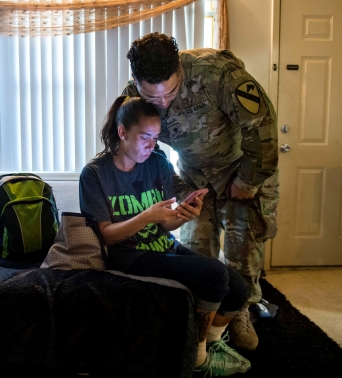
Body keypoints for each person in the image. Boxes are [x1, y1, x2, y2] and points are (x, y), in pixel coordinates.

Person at [122, 32, 280, 351]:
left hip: (241, 168)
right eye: (154, 98)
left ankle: (240, 311)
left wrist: (247, 182)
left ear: (179, 69)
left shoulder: (218, 75)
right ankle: (200, 321)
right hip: (193, 176)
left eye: (170, 92)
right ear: (137, 83)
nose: (163, 103)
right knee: (197, 253)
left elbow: (263, 129)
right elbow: (139, 149)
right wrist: (175, 189)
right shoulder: (131, 98)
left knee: (242, 250)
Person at [79, 96, 251, 376]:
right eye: (145, 137)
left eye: (156, 137)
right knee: (215, 276)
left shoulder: (157, 162)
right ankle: (196, 359)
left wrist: (181, 214)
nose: (151, 145)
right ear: (122, 133)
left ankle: (212, 345)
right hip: (129, 255)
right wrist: (147, 216)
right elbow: (107, 237)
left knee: (239, 288)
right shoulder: (95, 174)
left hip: (163, 244)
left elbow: (165, 223)